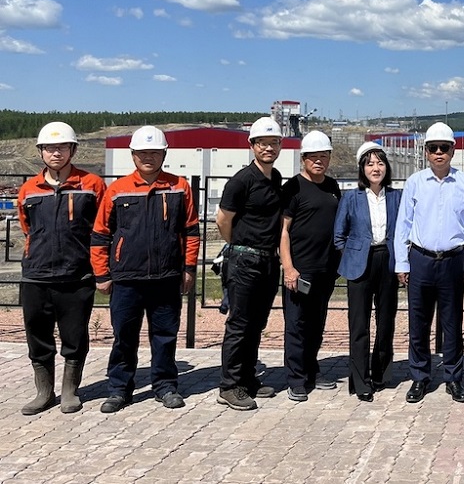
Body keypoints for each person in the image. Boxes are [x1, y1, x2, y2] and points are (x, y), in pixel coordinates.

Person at [90, 126, 199, 412]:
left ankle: (165, 386)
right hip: (127, 279)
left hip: (166, 277)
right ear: (133, 155)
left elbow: (191, 231)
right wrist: (102, 274)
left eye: (154, 152)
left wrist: (188, 268)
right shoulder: (117, 190)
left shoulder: (179, 187)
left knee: (165, 336)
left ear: (164, 154)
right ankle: (119, 389)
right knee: (124, 337)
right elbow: (100, 235)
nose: (148, 157)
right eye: (142, 153)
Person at [17, 122, 106, 415]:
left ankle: (70, 391)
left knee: (75, 335)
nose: (56, 153)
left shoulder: (92, 185)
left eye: (62, 147)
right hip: (36, 276)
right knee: (37, 335)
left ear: (73, 150)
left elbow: (102, 228)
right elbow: (27, 227)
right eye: (50, 148)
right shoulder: (29, 189)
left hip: (76, 275)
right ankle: (44, 392)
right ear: (41, 152)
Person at [394, 122, 464, 403]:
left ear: (453, 151)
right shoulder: (415, 182)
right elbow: (403, 224)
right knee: (418, 322)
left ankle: (453, 378)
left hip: (453, 260)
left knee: (452, 323)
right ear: (426, 152)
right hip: (420, 259)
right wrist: (401, 263)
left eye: (444, 147)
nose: (439, 153)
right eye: (433, 148)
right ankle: (419, 377)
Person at [216, 116, 284, 410]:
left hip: (268, 261)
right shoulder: (241, 181)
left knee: (257, 323)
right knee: (239, 324)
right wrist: (239, 246)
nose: (268, 148)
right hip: (245, 260)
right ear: (252, 145)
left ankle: (247, 378)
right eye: (263, 143)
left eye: (273, 143)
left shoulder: (275, 177)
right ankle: (229, 386)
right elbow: (223, 220)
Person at [334, 141, 402, 402]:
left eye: (380, 163)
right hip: (359, 264)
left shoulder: (396, 197)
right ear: (362, 169)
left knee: (386, 322)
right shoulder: (351, 198)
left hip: (387, 260)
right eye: (370, 164)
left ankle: (381, 374)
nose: (376, 168)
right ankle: (360, 380)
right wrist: (351, 255)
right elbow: (339, 236)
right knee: (359, 324)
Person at [279, 130, 341, 402]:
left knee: (316, 323)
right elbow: (283, 231)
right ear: (303, 158)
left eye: (323, 156)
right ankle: (296, 379)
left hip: (325, 269)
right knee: (297, 324)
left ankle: (312, 370)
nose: (318, 161)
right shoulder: (292, 188)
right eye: (313, 157)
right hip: (300, 271)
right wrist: (289, 268)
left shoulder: (333, 186)